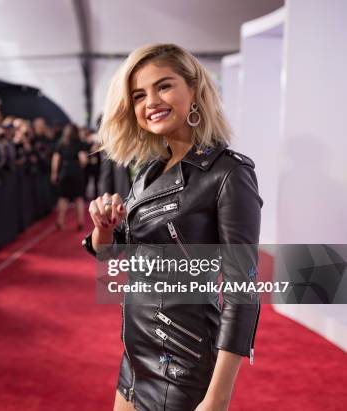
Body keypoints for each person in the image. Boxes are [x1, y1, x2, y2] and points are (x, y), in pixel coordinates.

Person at [82, 44, 262, 411]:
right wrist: (104, 227)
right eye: (138, 94)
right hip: (133, 359)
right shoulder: (150, 169)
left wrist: (217, 398)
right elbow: (113, 255)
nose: (150, 101)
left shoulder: (230, 174)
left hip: (182, 364)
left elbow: (243, 291)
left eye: (163, 86)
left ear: (193, 90)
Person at [51, 124, 87, 230]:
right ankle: (80, 221)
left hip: (64, 172)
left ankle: (60, 221)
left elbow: (56, 159)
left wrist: (54, 173)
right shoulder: (79, 143)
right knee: (78, 198)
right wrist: (81, 166)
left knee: (63, 198)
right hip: (76, 173)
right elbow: (83, 159)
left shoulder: (60, 143)